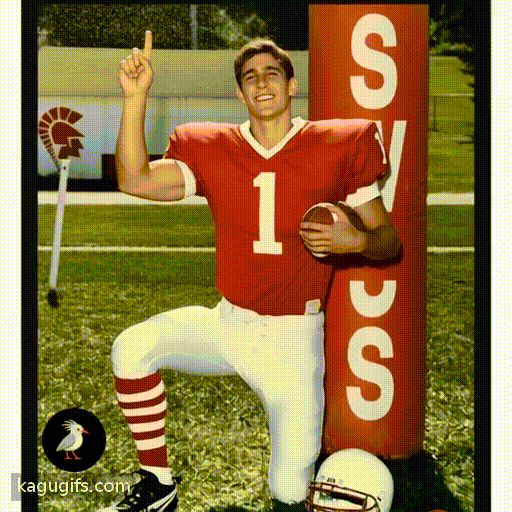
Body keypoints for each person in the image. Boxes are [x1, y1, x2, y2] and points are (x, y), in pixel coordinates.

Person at [102, 30, 401, 512]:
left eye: (271, 74)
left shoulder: (339, 143)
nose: (261, 84)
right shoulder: (213, 145)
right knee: (132, 348)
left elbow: (390, 242)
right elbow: (134, 179)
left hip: (292, 340)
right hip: (229, 323)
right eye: (249, 77)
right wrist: (135, 98)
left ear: (292, 84)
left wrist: (358, 241)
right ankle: (158, 484)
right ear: (239, 93)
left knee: (287, 492)